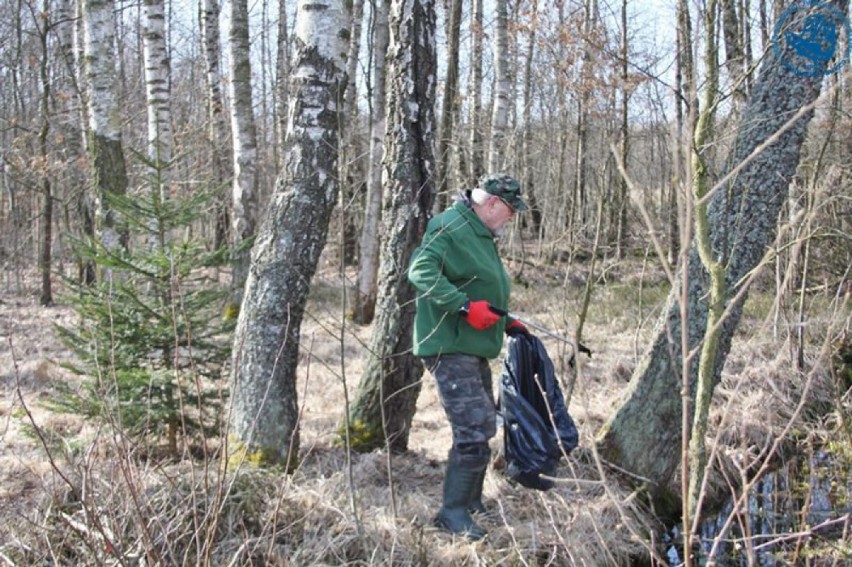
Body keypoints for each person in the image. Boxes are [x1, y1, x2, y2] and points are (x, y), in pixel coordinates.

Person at [407, 173, 529, 540]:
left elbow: (478, 283)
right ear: (491, 203)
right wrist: (463, 307)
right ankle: (452, 513)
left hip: (473, 344)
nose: (512, 217)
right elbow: (421, 271)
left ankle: (472, 501)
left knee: (484, 423)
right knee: (473, 428)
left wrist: (506, 321)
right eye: (510, 210)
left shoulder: (481, 233)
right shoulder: (451, 226)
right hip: (450, 344)